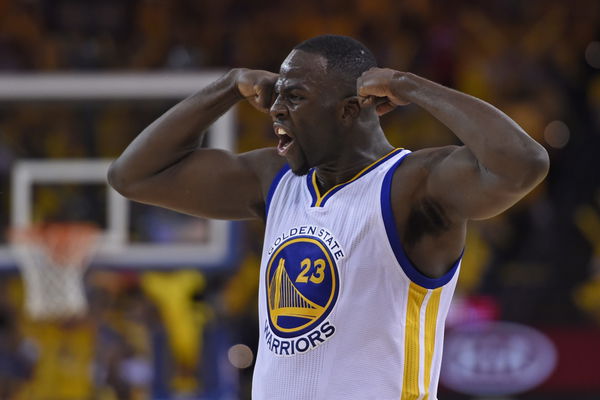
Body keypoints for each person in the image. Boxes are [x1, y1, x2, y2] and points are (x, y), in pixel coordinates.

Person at [108, 35, 549, 399]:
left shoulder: (412, 185)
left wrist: (410, 85)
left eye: (295, 97)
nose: (276, 110)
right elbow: (134, 175)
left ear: (350, 109)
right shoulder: (275, 179)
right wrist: (226, 86)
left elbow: (523, 164)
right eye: (277, 96)